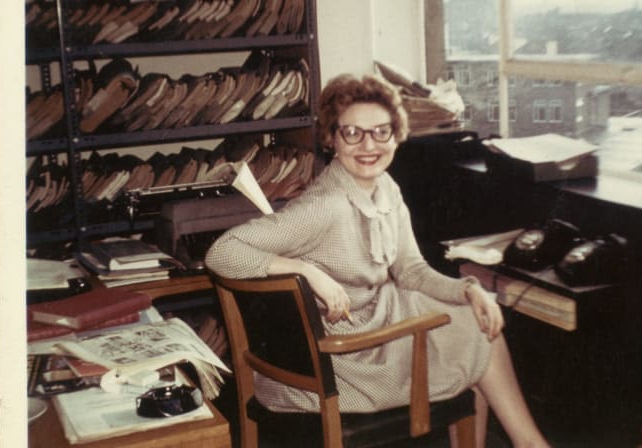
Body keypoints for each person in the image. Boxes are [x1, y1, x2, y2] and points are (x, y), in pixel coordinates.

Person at [205, 73, 549, 448]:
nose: (368, 145)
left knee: (474, 318)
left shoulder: (385, 187)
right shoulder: (327, 206)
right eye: (353, 133)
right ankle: (530, 443)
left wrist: (469, 291)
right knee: (477, 336)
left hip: (374, 333)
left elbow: (411, 271)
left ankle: (523, 443)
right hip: (342, 364)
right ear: (332, 139)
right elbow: (222, 252)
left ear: (396, 135)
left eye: (380, 132)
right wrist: (306, 270)